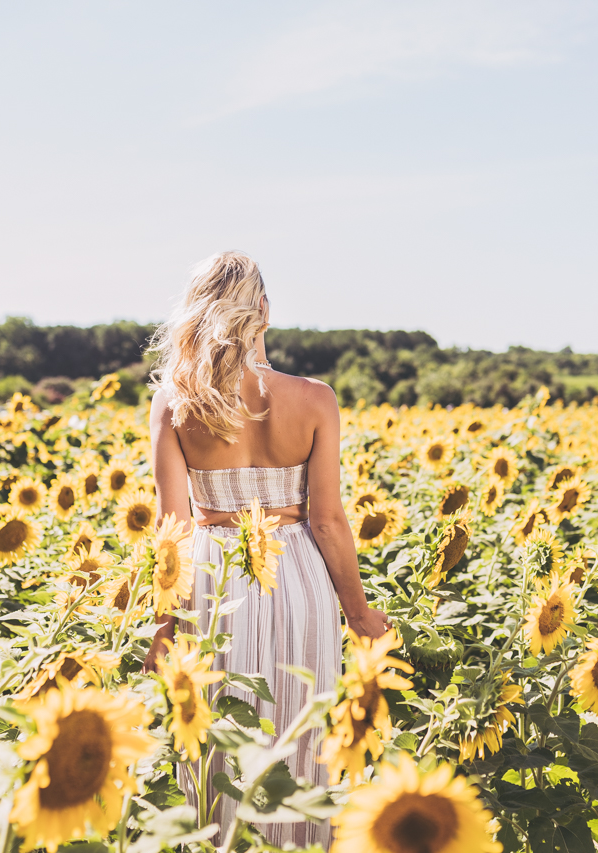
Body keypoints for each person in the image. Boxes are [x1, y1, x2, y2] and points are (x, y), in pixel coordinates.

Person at [144, 251, 390, 849]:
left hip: (211, 576)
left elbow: (172, 528)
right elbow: (328, 520)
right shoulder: (314, 399)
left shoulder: (175, 403)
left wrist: (161, 624)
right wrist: (358, 615)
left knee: (212, 742)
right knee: (303, 736)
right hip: (297, 574)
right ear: (264, 312)